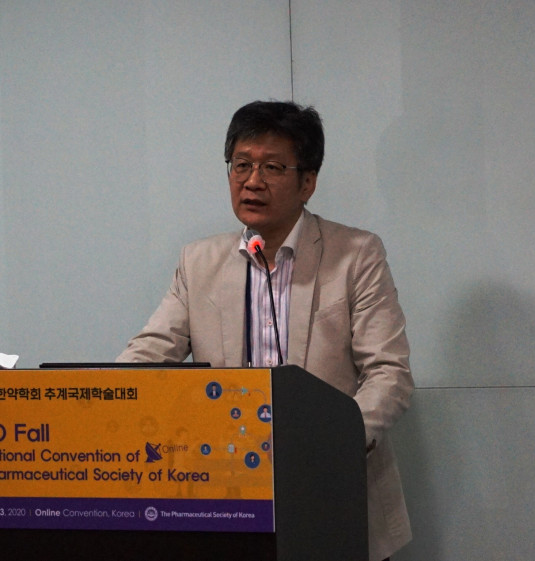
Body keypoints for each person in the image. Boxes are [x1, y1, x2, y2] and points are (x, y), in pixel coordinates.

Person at [117, 100, 413, 561]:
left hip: (333, 493)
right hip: (230, 500)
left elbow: (389, 374)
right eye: (241, 165)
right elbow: (150, 353)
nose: (252, 181)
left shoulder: (356, 255)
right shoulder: (198, 262)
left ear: (307, 182)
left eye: (272, 167)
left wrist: (331, 443)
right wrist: (98, 396)